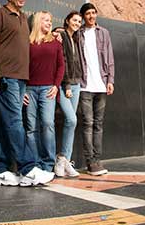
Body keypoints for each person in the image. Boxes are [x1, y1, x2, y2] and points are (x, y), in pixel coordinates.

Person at [0, 0, 54, 187]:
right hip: (5, 76)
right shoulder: (0, 15)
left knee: (5, 124)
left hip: (21, 79)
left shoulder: (24, 18)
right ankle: (28, 168)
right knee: (15, 122)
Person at [76, 2, 115, 176]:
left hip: (101, 85)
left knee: (98, 124)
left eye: (93, 13)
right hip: (85, 85)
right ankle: (90, 162)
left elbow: (110, 57)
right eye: (88, 13)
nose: (91, 16)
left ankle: (98, 160)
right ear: (83, 16)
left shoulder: (104, 33)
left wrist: (110, 80)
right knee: (88, 123)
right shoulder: (79, 34)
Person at [24, 11, 64, 175]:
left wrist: (56, 85)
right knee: (31, 128)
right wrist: (21, 90)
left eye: (50, 20)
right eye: (46, 20)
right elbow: (21, 66)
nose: (49, 23)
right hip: (29, 90)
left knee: (48, 124)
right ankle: (34, 163)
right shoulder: (27, 43)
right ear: (38, 21)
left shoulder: (55, 42)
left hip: (48, 89)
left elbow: (61, 66)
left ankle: (48, 164)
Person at [54, 12, 84, 178]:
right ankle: (60, 158)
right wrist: (66, 85)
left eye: (79, 21)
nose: (77, 23)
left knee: (70, 123)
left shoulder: (76, 38)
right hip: (65, 85)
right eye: (74, 20)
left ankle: (65, 160)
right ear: (67, 21)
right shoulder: (62, 35)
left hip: (77, 84)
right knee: (72, 119)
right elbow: (63, 61)